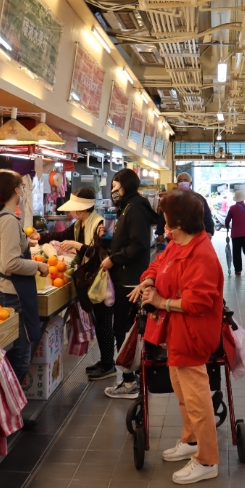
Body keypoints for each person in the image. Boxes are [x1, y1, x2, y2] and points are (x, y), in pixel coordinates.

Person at [128, 189, 223, 485]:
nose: (164, 224)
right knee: (182, 392)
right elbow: (159, 264)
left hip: (192, 335)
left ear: (178, 222)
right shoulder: (177, 244)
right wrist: (148, 279)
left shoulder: (202, 254)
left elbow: (198, 302)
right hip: (173, 333)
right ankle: (191, 439)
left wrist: (161, 302)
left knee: (196, 398)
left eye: (167, 218)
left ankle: (208, 459)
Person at [31, 188, 114, 381]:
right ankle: (104, 361)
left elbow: (99, 252)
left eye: (75, 208)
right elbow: (61, 236)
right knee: (100, 322)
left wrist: (78, 246)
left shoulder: (100, 224)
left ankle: (109, 364)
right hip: (89, 280)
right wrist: (40, 237)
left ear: (83, 208)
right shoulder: (80, 224)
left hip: (101, 281)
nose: (72, 212)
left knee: (104, 324)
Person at [0, 170, 50, 385]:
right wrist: (38, 265)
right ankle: (10, 413)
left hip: (2, 290)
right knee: (20, 357)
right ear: (15, 189)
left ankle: (9, 412)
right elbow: (11, 263)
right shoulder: (8, 220)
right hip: (12, 294)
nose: (23, 190)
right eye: (21, 186)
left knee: (10, 356)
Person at [100, 168, 156, 398]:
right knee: (124, 328)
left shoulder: (136, 209)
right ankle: (133, 376)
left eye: (116, 186)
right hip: (126, 277)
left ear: (127, 186)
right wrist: (106, 235)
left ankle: (130, 381)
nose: (113, 190)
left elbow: (139, 244)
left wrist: (114, 259)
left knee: (125, 329)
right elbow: (126, 239)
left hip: (130, 279)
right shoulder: (127, 207)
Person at [156, 172, 214, 238]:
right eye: (180, 180)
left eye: (185, 180)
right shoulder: (170, 199)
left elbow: (206, 215)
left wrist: (209, 231)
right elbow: (162, 216)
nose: (183, 182)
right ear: (177, 184)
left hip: (194, 235)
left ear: (190, 183)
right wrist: (160, 232)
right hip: (175, 236)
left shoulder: (198, 198)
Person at [225, 189, 245, 277]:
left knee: (236, 252)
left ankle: (238, 270)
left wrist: (227, 227)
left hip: (236, 234)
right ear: (243, 198)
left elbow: (227, 220)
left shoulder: (232, 208)